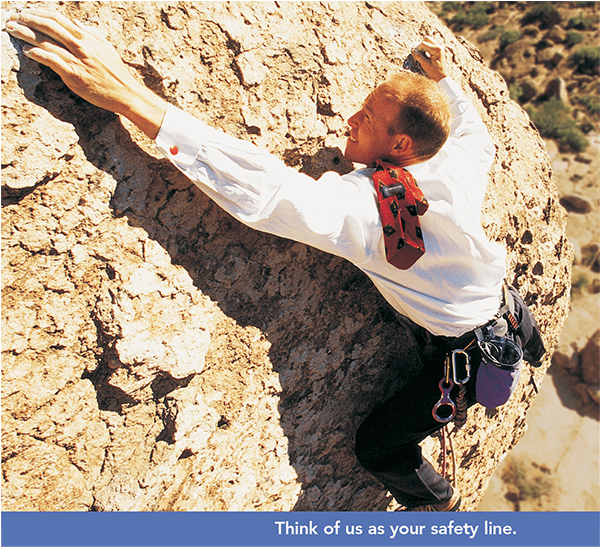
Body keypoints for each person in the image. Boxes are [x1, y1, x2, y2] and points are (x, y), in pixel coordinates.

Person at [5, 9, 544, 512]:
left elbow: (269, 193)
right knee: (516, 328)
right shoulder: (453, 160)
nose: (352, 117)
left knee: (378, 448)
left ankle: (438, 504)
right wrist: (445, 81)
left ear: (401, 143)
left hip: (466, 353)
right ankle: (530, 340)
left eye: (369, 116)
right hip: (502, 304)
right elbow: (478, 137)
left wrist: (132, 100)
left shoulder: (372, 209)